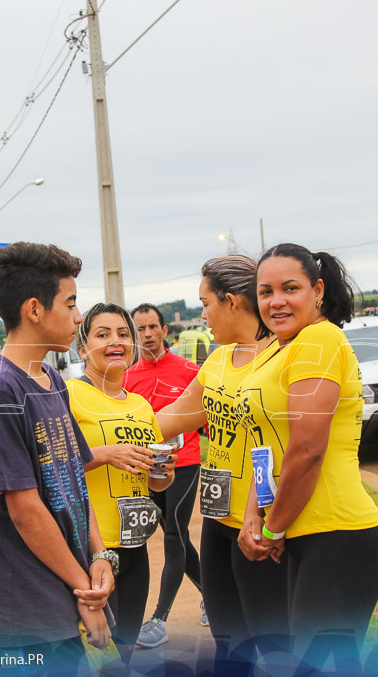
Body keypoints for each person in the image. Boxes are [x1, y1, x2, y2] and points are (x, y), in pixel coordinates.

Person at [0, 242, 115, 670]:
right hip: (28, 612)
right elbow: (26, 510)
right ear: (34, 309)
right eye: (70, 303)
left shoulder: (49, 377)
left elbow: (74, 484)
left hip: (67, 593)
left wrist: (99, 556)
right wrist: (86, 590)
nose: (78, 317)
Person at [244, 243, 378, 669]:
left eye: (290, 288)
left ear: (318, 289)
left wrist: (272, 529)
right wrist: (257, 511)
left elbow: (307, 451)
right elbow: (271, 444)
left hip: (338, 534)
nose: (276, 301)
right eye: (265, 291)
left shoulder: (319, 339)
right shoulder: (281, 345)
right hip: (308, 533)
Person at [153, 255, 288, 672]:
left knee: (277, 642)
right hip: (219, 519)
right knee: (228, 641)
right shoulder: (217, 361)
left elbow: (300, 449)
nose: (202, 314)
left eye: (205, 302)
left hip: (264, 524)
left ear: (231, 302)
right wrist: (98, 428)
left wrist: (269, 517)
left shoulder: (286, 358)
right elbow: (170, 419)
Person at [67, 303, 174, 661]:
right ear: (83, 348)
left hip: (135, 546)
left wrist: (164, 473)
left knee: (124, 651)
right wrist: (104, 454)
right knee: (95, 654)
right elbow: (49, 467)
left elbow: (155, 485)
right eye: (103, 334)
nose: (116, 341)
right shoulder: (67, 395)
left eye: (123, 334)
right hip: (90, 550)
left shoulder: (142, 406)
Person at [123, 303, 207, 648]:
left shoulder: (189, 370)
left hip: (184, 463)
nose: (147, 335)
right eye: (140, 329)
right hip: (148, 467)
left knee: (174, 535)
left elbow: (205, 421)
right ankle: (212, 594)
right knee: (178, 539)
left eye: (152, 327)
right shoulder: (128, 377)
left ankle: (159, 619)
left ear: (164, 331)